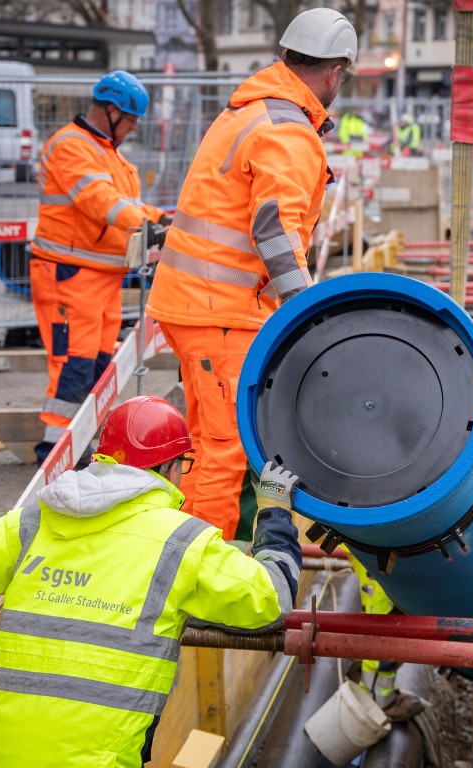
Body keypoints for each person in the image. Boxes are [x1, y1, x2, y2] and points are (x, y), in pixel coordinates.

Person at [0, 395, 302, 768]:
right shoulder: (180, 541)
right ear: (171, 468)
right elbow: (272, 600)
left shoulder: (37, 518)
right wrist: (274, 512)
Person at [145, 8, 355, 541]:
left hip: (201, 306)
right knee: (226, 449)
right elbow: (275, 232)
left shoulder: (251, 112)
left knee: (204, 441)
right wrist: (303, 313)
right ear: (334, 72)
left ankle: (184, 551)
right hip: (221, 311)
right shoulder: (287, 131)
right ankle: (197, 586)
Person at [30, 70, 169, 464]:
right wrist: (151, 226)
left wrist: (163, 218)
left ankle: (79, 444)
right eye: (129, 121)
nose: (132, 129)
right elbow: (101, 201)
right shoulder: (73, 147)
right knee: (72, 364)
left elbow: (127, 204)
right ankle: (56, 452)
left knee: (96, 367)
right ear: (110, 111)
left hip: (99, 279)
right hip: (69, 276)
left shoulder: (107, 151)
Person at [347, 553, 428, 721]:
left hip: (378, 551)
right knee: (384, 635)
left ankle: (379, 692)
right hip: (377, 556)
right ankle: (378, 701)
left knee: (390, 628)